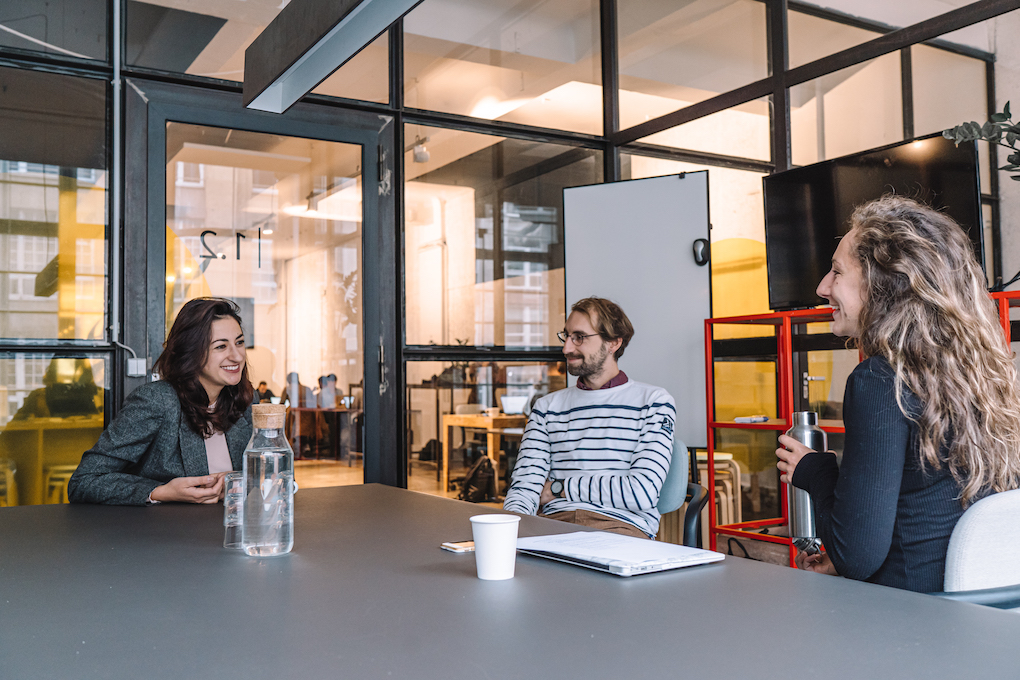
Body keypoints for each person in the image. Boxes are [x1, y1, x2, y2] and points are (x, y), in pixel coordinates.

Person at [776, 196, 1020, 592]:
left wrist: (815, 472)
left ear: (884, 284)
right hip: (985, 616)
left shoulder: (880, 380)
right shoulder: (983, 374)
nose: (822, 287)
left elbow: (856, 557)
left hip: (911, 623)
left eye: (837, 272)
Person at [503, 297, 676, 539]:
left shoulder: (654, 402)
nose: (567, 348)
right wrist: (509, 536)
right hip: (553, 525)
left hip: (620, 528)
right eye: (566, 336)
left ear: (613, 342)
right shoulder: (546, 408)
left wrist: (559, 488)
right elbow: (525, 488)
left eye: (580, 337)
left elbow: (641, 493)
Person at [68, 298, 254, 505]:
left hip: (233, 530)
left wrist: (237, 485)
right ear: (191, 352)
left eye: (239, 342)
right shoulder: (157, 401)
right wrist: (160, 492)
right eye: (221, 346)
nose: (237, 356)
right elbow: (85, 481)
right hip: (168, 533)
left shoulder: (246, 401)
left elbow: (278, 477)